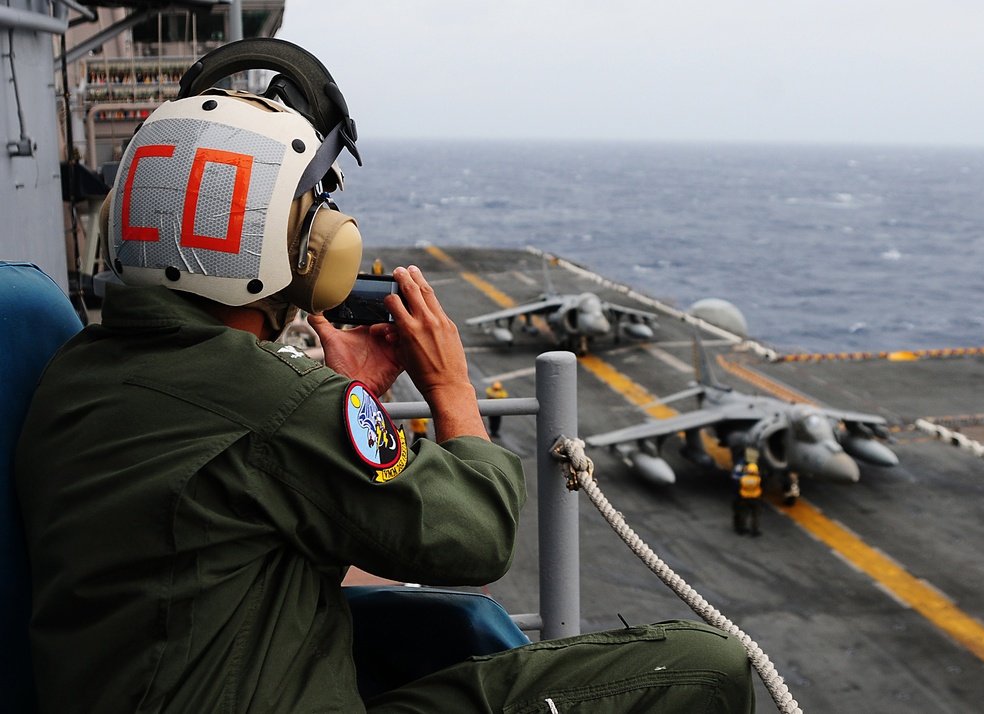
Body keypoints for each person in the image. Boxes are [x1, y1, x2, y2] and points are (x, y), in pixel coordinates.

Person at [15, 40, 754, 714]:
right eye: (315, 214)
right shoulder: (281, 404)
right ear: (297, 248)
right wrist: (452, 388)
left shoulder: (75, 372)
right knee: (704, 666)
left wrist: (352, 400)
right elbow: (478, 535)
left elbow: (235, 512)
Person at [733, 461, 763, 536]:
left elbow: (738, 487)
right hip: (755, 498)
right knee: (756, 514)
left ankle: (742, 528)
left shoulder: (743, 479)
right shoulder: (758, 479)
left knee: (743, 513)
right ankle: (755, 530)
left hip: (744, 498)